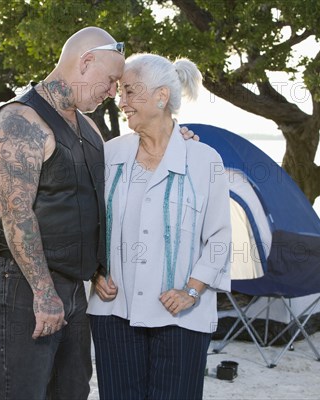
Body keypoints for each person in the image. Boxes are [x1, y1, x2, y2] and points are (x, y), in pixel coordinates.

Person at [0, 27, 195, 400]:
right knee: (20, 392)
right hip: (20, 282)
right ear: (86, 61)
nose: (113, 92)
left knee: (72, 390)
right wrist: (44, 293)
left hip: (73, 286)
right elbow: (16, 215)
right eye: (110, 81)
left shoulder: (88, 127)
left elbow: (96, 195)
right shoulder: (19, 122)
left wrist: (171, 138)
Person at [88, 53, 232, 399]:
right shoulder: (110, 154)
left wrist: (192, 291)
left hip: (181, 315)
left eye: (129, 92)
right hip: (114, 312)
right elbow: (88, 221)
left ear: (161, 96)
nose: (120, 101)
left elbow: (220, 236)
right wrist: (95, 270)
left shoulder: (204, 160)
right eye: (120, 92)